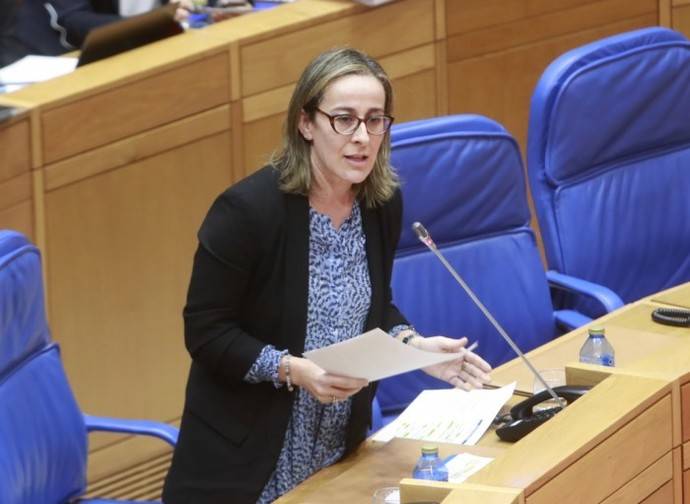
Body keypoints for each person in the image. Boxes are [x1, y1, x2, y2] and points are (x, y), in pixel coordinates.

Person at [162, 47, 492, 504]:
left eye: (375, 119)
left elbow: (374, 305)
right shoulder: (247, 211)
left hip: (338, 446)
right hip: (246, 461)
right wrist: (295, 370)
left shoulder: (379, 204)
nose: (361, 136)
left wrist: (412, 348)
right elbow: (206, 332)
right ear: (306, 124)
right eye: (344, 119)